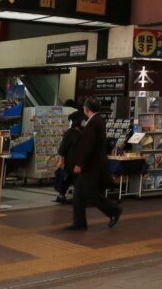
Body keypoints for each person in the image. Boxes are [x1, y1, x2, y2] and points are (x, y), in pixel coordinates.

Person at [66, 99, 121, 231]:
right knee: (79, 193)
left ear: (87, 109)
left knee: (89, 193)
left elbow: (87, 146)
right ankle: (79, 222)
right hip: (93, 164)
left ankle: (113, 210)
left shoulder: (93, 123)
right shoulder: (98, 120)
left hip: (91, 165)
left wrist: (79, 163)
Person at [54, 110, 84, 204]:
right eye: (82, 121)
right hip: (70, 161)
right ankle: (73, 198)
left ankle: (62, 196)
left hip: (78, 161)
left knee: (69, 179)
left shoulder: (82, 132)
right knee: (70, 179)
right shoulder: (69, 133)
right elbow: (62, 148)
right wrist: (60, 160)